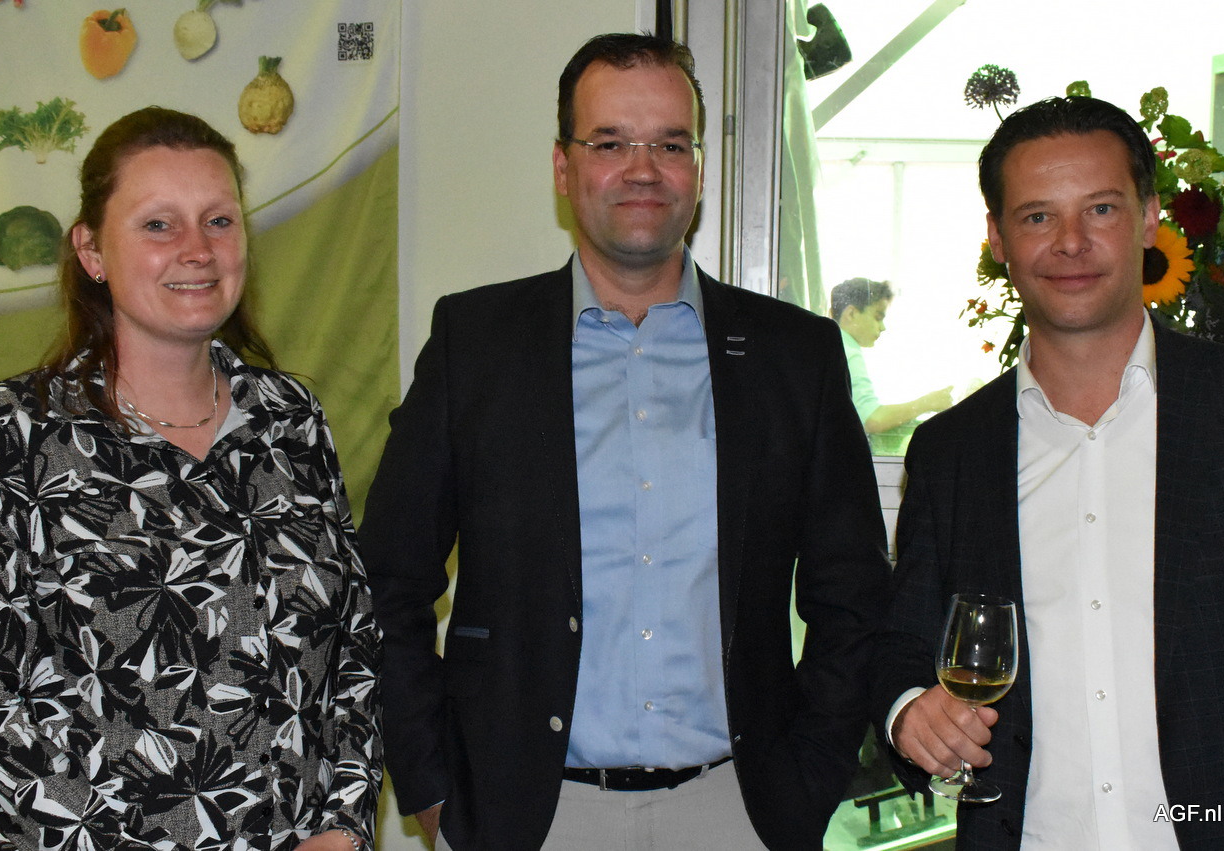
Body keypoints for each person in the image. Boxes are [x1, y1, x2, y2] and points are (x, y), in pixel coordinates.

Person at [359, 32, 891, 851]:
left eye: (670, 144)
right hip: (533, 819)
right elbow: (387, 581)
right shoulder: (476, 344)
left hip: (738, 812)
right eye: (610, 143)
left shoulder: (795, 356)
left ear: (699, 170)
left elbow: (852, 593)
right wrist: (432, 786)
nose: (643, 169)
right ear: (563, 167)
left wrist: (811, 777)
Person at [0, 107, 382, 851]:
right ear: (92, 250)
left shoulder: (289, 419)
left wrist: (342, 823)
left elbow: (352, 645)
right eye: (158, 225)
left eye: (219, 220)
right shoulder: (8, 436)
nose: (197, 249)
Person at [872, 95, 1224, 849]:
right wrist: (909, 711)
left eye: (1101, 209)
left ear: (1150, 219)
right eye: (1038, 216)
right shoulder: (951, 452)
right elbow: (902, 645)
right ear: (998, 238)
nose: (1071, 242)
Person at [829, 277, 953, 434]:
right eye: (878, 317)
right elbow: (872, 420)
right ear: (851, 314)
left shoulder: (829, 346)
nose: (883, 327)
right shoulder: (849, 352)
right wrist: (927, 403)